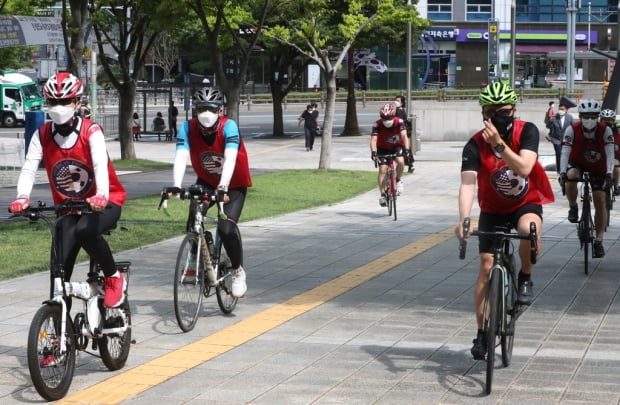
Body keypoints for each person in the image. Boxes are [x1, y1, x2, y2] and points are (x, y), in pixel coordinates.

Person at [8, 72, 127, 311]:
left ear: (77, 102)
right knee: (58, 273)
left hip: (106, 201)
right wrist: (22, 197)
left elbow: (99, 165)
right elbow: (30, 167)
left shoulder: (91, 131)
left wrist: (101, 194)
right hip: (69, 208)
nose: (59, 107)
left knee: (85, 230)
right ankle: (60, 334)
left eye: (65, 102)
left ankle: (114, 277)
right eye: (53, 102)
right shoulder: (42, 134)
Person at [455, 82, 554, 360]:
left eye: (504, 111)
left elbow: (524, 167)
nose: (498, 116)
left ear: (514, 110)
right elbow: (467, 183)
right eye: (490, 111)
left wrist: (498, 145)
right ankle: (482, 333)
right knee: (486, 265)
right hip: (493, 209)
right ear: (483, 113)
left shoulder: (527, 131)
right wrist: (463, 220)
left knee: (529, 229)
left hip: (526, 203)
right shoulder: (474, 144)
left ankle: (525, 277)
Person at [170, 87, 251, 298]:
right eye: (201, 108)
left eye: (211, 108)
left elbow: (231, 157)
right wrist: (177, 185)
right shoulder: (187, 128)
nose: (206, 113)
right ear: (194, 110)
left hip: (232, 185)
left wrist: (223, 186)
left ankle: (237, 271)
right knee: (193, 220)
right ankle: (198, 260)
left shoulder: (229, 126)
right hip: (205, 181)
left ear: (220, 109)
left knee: (225, 230)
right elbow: (180, 156)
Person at [559, 99, 614, 258]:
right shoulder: (572, 129)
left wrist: (609, 172)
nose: (589, 120)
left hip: (599, 166)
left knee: (600, 199)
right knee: (571, 176)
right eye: (585, 116)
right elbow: (565, 152)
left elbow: (610, 153)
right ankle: (573, 206)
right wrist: (562, 172)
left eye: (593, 116)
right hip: (578, 163)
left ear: (597, 117)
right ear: (580, 116)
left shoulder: (605, 130)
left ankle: (598, 240)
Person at [370, 103, 411, 206]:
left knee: (401, 162)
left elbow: (404, 136)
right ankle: (383, 194)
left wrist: (407, 150)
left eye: (389, 117)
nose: (386, 120)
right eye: (384, 118)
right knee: (382, 170)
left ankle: (397, 180)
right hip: (382, 148)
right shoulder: (377, 124)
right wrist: (374, 152)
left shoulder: (399, 122)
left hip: (396, 146)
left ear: (393, 115)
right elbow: (373, 140)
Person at [546, 98, 574, 173]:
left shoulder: (570, 118)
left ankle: (565, 169)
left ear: (566, 110)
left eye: (563, 109)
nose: (561, 110)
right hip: (556, 140)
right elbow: (548, 126)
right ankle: (559, 170)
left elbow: (573, 128)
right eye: (560, 109)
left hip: (566, 140)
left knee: (565, 154)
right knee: (559, 153)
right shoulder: (554, 117)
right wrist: (551, 120)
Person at [600, 108, 620, 196]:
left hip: (615, 155)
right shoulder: (596, 130)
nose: (607, 122)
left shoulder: (617, 131)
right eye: (605, 120)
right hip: (600, 156)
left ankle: (616, 185)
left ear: (613, 121)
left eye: (609, 120)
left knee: (616, 165)